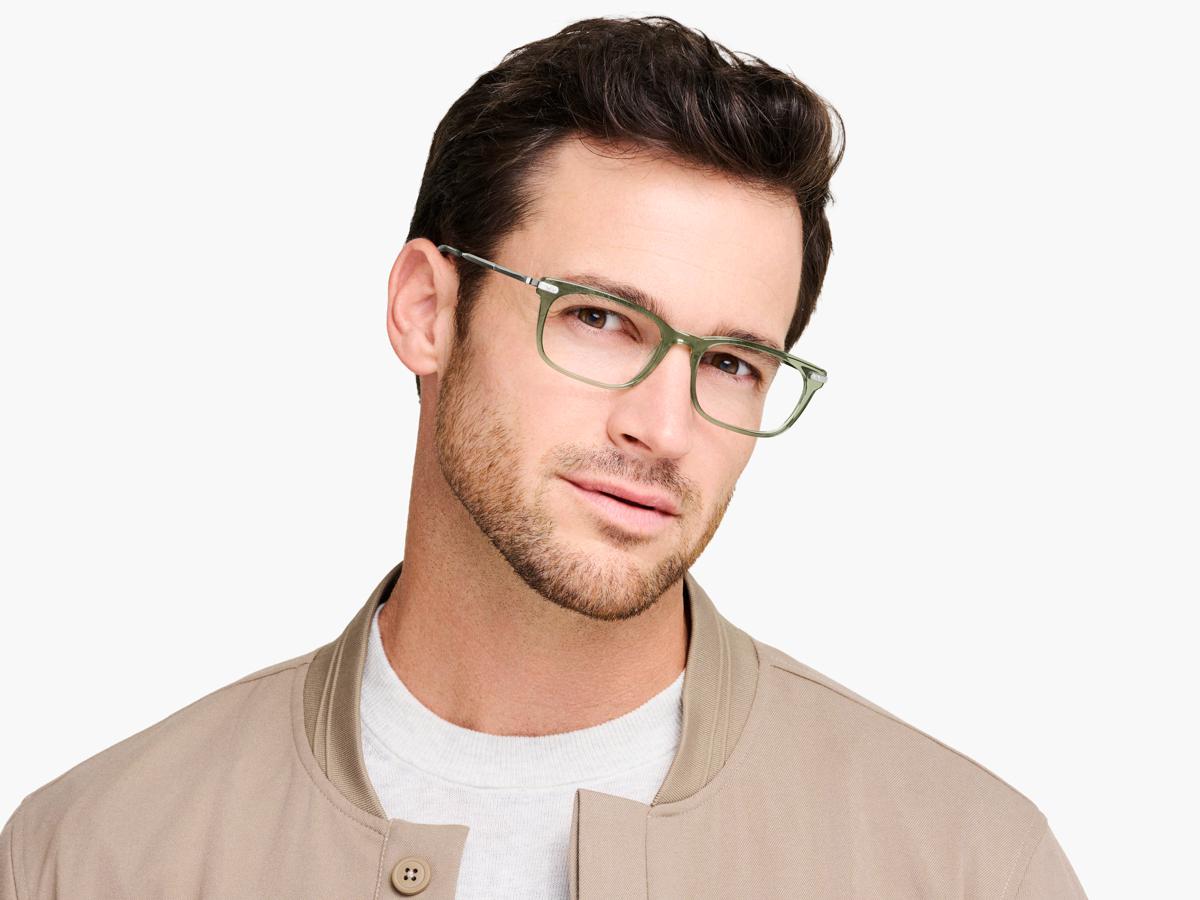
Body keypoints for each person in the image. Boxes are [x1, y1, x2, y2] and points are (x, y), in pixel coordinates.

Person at [1, 15, 1087, 899]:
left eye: (731, 363)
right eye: (600, 320)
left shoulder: (966, 865)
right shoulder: (91, 856)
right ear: (427, 310)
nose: (664, 429)